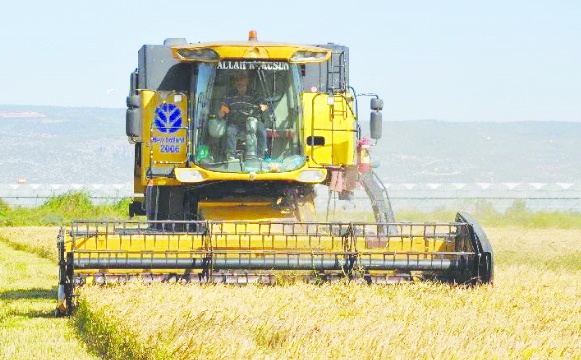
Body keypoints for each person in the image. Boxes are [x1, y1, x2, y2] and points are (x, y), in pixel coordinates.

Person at [218, 71, 268, 160]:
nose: (239, 81)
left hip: (252, 121)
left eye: (242, 79)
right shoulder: (230, 95)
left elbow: (265, 105)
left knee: (262, 132)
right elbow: (223, 108)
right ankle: (231, 156)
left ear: (247, 81)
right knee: (229, 131)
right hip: (236, 122)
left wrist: (260, 108)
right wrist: (222, 112)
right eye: (237, 79)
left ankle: (260, 157)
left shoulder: (253, 93)